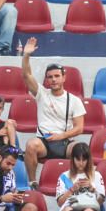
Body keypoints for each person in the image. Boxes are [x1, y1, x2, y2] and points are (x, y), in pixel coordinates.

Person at [20, 41, 86, 181]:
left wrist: (59, 136)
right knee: (31, 144)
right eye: (50, 77)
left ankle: (82, 183)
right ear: (47, 80)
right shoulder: (41, 93)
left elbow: (79, 128)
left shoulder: (74, 100)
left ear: (64, 78)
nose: (53, 79)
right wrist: (26, 55)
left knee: (81, 148)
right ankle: (32, 182)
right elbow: (26, 75)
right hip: (43, 142)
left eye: (57, 76)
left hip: (65, 142)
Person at [56, 142, 105, 211]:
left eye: (84, 160)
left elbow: (101, 201)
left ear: (89, 160)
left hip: (90, 206)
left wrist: (92, 188)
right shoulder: (64, 176)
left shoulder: (97, 175)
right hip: (70, 206)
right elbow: (60, 203)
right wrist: (72, 189)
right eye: (78, 159)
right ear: (73, 159)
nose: (81, 163)